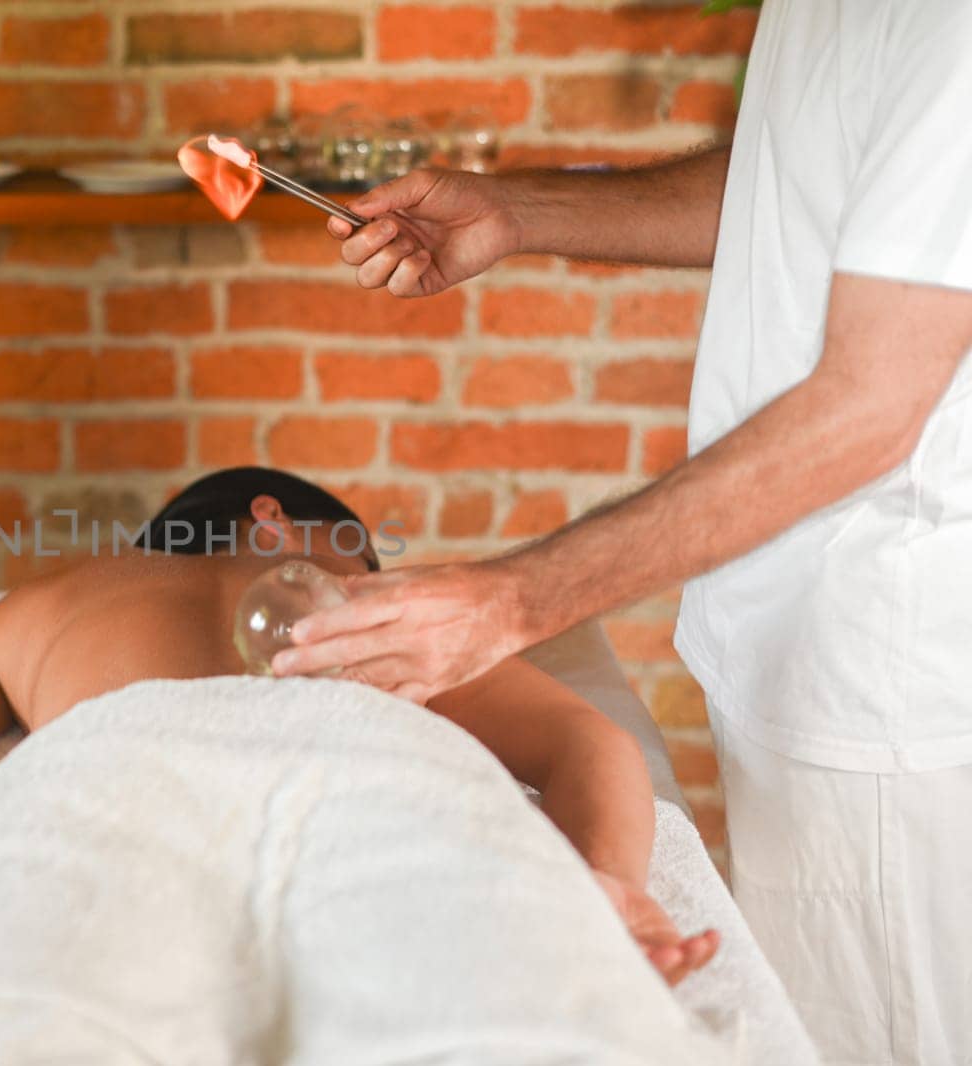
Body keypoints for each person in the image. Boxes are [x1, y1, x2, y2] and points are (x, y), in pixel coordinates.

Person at [275, 3, 972, 1062]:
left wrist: (511, 600)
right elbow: (800, 185)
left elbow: (871, 405)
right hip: (790, 647)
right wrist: (514, 212)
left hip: (889, 685)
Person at [0, 466, 717, 984]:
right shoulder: (369, 606)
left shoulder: (44, 602)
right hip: (363, 817)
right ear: (271, 518)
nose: (374, 568)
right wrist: (604, 883)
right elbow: (588, 741)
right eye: (362, 547)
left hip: (120, 824)